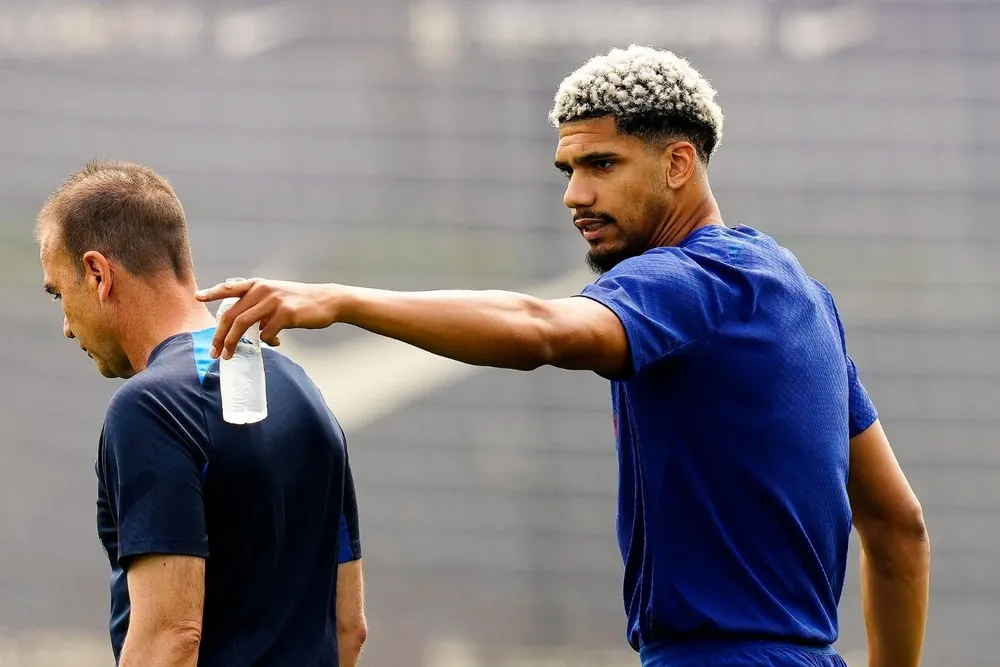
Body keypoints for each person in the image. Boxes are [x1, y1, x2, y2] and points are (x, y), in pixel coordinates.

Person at [198, 45, 930, 667]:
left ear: (679, 163)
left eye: (602, 164)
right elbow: (899, 526)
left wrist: (341, 300)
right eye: (568, 169)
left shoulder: (686, 280)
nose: (576, 194)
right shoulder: (802, 296)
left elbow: (540, 328)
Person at [36, 160, 368, 667]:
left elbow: (169, 641)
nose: (66, 325)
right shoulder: (303, 390)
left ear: (98, 274)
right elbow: (349, 627)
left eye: (60, 293)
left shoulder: (150, 407)